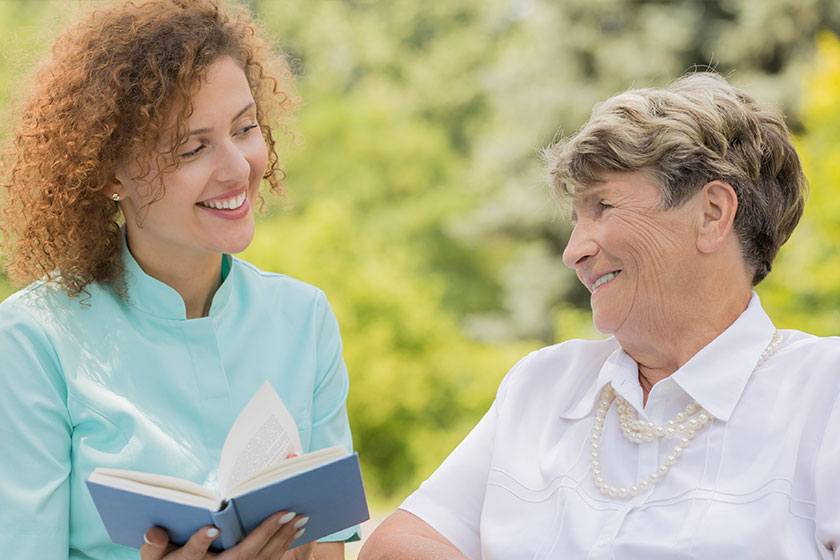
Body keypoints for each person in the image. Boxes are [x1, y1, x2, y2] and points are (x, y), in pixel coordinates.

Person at [360, 72, 840, 559]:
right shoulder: (542, 386)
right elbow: (394, 546)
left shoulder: (824, 393)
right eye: (575, 219)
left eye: (602, 206)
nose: (573, 252)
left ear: (712, 213)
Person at [0, 1, 358, 558]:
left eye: (246, 128)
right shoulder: (32, 339)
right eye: (193, 147)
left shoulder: (303, 318)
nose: (238, 167)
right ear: (109, 173)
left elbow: (328, 545)